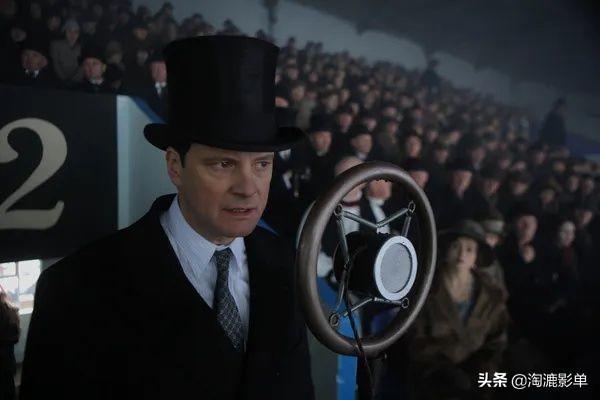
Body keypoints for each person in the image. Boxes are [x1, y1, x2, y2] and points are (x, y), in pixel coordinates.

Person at [20, 36, 314, 400]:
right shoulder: (76, 288)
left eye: (262, 164)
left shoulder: (285, 263)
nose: (248, 188)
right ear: (175, 166)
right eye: (223, 164)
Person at [407, 220, 508, 400]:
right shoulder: (425, 289)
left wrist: (482, 371)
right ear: (446, 249)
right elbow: (415, 342)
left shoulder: (491, 295)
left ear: (477, 256)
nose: (462, 254)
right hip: (432, 381)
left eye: (469, 249)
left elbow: (496, 341)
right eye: (456, 246)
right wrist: (442, 371)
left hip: (477, 381)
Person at [0, 290, 20, 400]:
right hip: (8, 360)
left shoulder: (7, 312)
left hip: (5, 360)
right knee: (9, 387)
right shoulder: (11, 312)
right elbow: (15, 338)